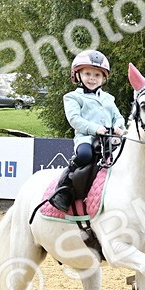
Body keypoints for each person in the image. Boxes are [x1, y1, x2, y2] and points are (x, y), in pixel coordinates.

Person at [48, 50, 125, 211]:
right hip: (86, 139)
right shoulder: (72, 97)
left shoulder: (108, 99)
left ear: (103, 78)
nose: (92, 78)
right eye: (87, 74)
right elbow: (75, 119)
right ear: (77, 75)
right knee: (84, 155)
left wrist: (118, 127)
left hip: (109, 139)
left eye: (97, 75)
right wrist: (95, 129)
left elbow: (118, 117)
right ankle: (64, 189)